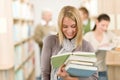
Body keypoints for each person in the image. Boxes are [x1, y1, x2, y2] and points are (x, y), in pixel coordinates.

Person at [41, 5, 98, 80]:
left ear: (79, 25)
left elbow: (94, 77)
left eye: (73, 26)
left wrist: (70, 79)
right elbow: (45, 74)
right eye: (65, 26)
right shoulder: (50, 41)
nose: (69, 31)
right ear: (60, 26)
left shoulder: (87, 46)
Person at [84, 13, 115, 80]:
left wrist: (111, 45)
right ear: (97, 22)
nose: (105, 28)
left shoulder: (108, 34)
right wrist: (98, 47)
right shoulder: (88, 36)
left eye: (107, 26)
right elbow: (84, 53)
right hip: (90, 70)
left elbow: (117, 41)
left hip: (102, 70)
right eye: (103, 25)